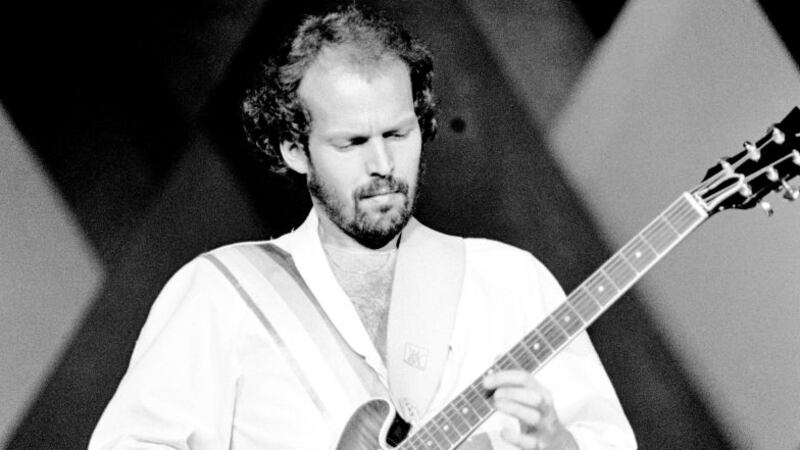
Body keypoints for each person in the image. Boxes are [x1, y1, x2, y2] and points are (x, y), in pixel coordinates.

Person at [90, 5, 636, 449]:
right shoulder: (221, 292)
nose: (382, 164)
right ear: (294, 150)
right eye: (352, 143)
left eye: (398, 135)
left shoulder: (509, 281)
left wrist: (559, 443)